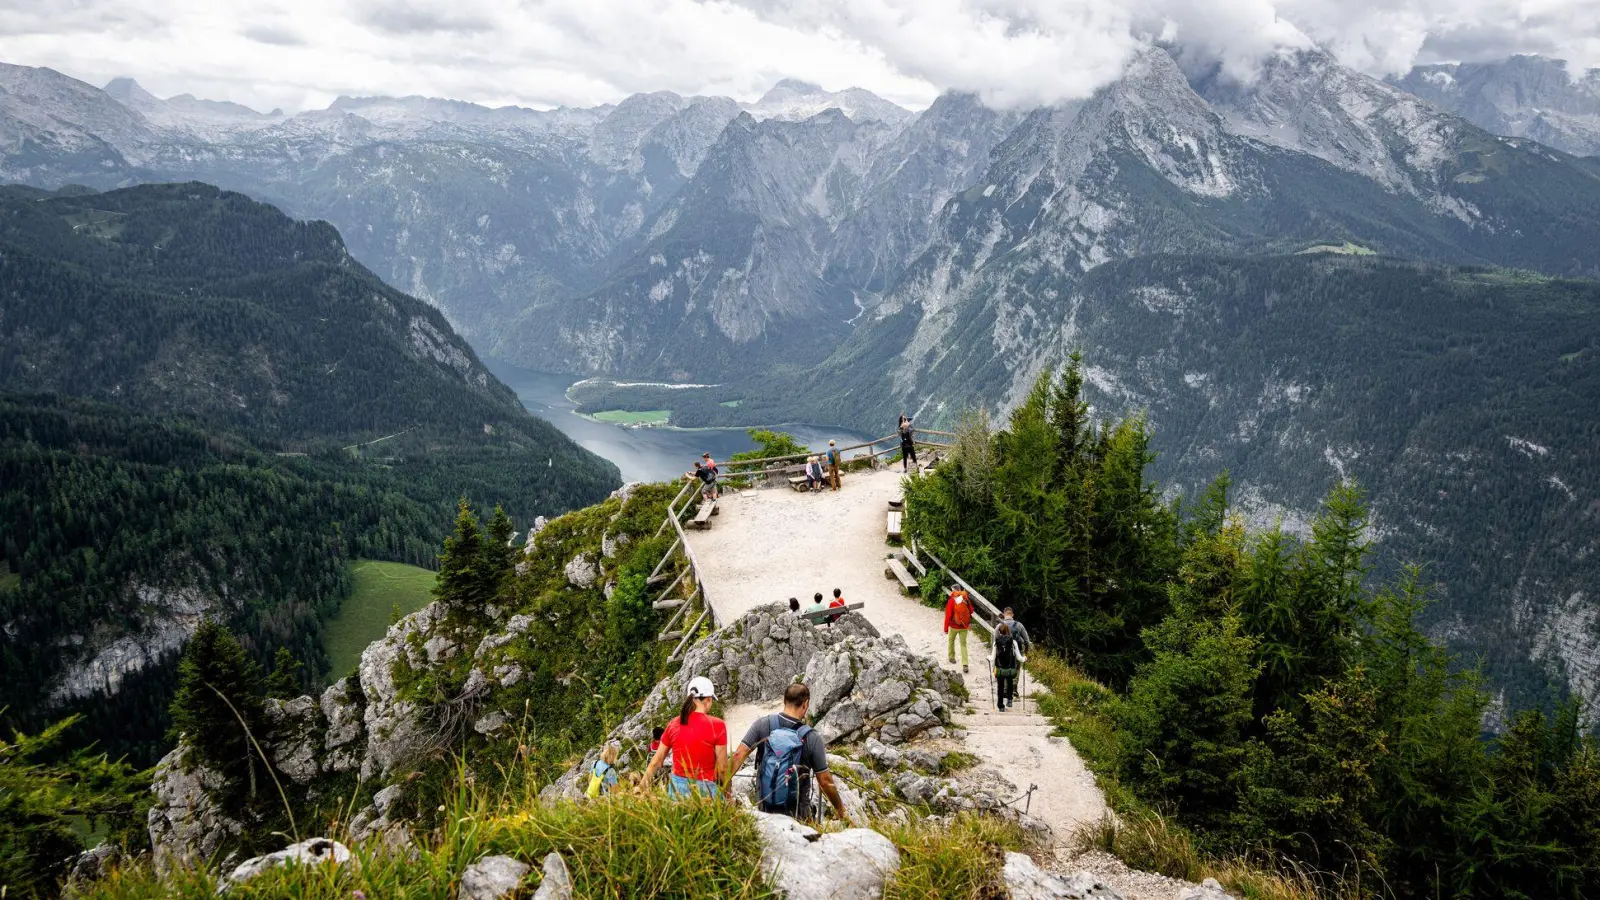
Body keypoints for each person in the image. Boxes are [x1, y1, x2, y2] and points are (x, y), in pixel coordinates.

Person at [729, 683, 850, 824]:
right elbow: (825, 781)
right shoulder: (812, 737)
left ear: (784, 700)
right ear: (805, 704)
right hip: (799, 816)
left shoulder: (762, 725)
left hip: (765, 811)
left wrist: (723, 788)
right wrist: (841, 810)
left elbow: (738, 755)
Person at [643, 676, 727, 798]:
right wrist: (727, 793)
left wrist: (640, 787)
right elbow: (723, 768)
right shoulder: (718, 725)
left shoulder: (673, 723)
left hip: (676, 790)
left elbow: (656, 761)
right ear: (708, 699)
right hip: (706, 791)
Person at [991, 622, 1026, 711]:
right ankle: (1009, 700)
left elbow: (992, 657)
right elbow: (1019, 657)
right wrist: (1024, 658)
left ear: (999, 631)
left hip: (999, 668)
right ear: (1008, 631)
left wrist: (989, 661)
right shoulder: (1013, 642)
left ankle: (1000, 706)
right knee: (1010, 682)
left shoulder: (996, 642)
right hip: (1010, 667)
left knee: (1000, 686)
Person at [943, 584, 973, 673]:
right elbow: (971, 611)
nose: (951, 592)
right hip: (964, 626)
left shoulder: (951, 600)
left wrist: (945, 628)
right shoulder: (965, 598)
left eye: (952, 590)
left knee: (951, 641)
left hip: (954, 626)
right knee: (963, 644)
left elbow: (948, 615)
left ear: (954, 590)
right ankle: (965, 664)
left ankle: (952, 658)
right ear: (960, 590)